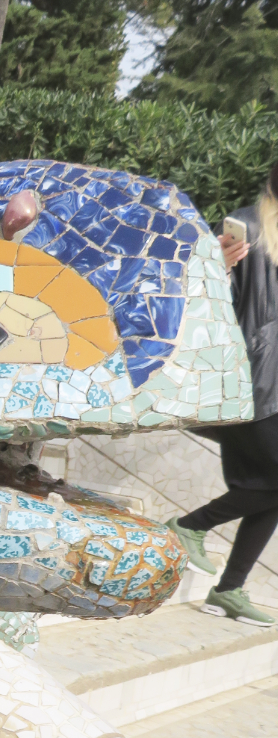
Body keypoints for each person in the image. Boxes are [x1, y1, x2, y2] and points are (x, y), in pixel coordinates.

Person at [166, 164, 278, 628]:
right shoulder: (247, 225)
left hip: (275, 382)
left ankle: (229, 591)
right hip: (252, 379)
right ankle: (190, 525)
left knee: (272, 494)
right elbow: (206, 295)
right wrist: (220, 262)